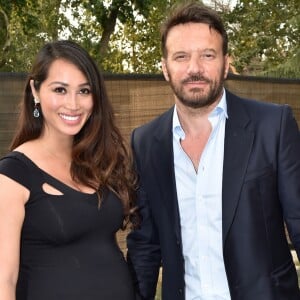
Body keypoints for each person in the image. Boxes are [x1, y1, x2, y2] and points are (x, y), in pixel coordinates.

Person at [126, 1, 300, 300]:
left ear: (226, 62)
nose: (195, 68)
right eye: (181, 56)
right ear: (165, 68)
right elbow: (145, 246)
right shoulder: (145, 143)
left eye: (208, 55)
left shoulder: (273, 126)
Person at [0, 40, 137, 300]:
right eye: (60, 90)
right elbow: (3, 280)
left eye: (84, 91)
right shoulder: (12, 176)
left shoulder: (98, 162)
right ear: (35, 91)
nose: (73, 104)